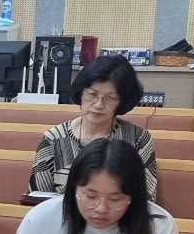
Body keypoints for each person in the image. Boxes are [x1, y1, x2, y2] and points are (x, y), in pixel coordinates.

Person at [15, 139, 183, 234]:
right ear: (74, 189)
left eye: (115, 199)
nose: (101, 208)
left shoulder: (160, 228)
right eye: (90, 196)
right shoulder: (39, 221)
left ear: (134, 196)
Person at [29, 55, 159, 200]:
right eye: (92, 94)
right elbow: (38, 198)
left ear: (122, 102)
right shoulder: (53, 138)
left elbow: (146, 199)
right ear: (81, 92)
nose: (98, 104)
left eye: (110, 97)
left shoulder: (138, 138)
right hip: (62, 214)